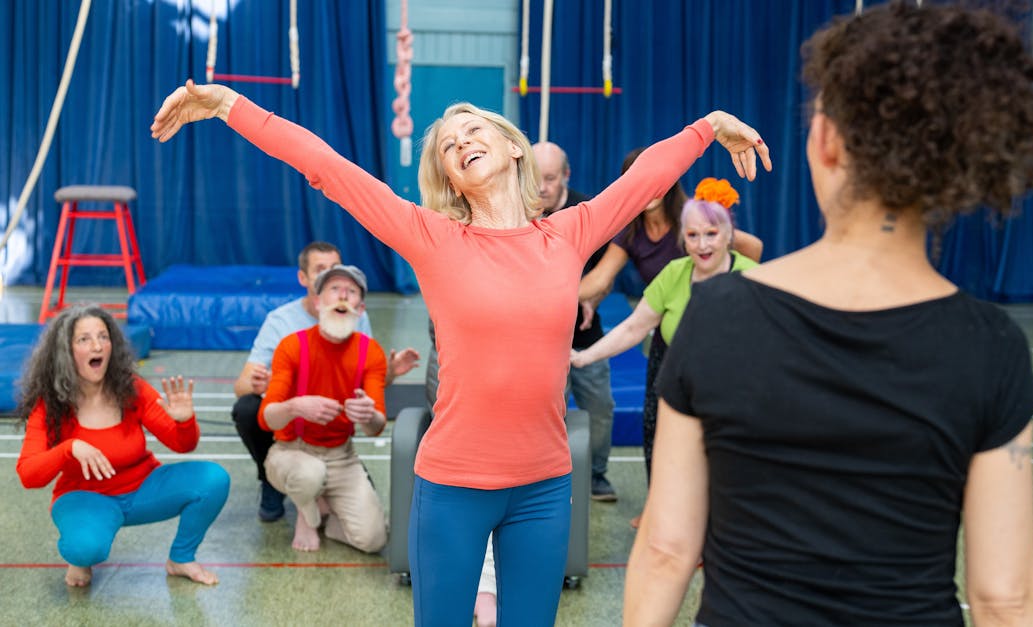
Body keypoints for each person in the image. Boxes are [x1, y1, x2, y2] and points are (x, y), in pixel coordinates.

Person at [151, 80, 768, 625]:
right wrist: (228, 105)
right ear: (449, 177)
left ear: (513, 148)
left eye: (474, 131)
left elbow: (644, 181)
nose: (461, 143)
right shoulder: (433, 238)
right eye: (449, 145)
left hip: (545, 486)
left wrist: (709, 127)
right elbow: (327, 168)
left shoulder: (568, 233)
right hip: (451, 486)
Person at [624, 3, 1033, 625]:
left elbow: (666, 550)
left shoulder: (716, 317)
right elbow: (1004, 597)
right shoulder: (991, 346)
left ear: (824, 141)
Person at [16, 305, 230, 588]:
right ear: (65, 352)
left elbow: (182, 445)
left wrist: (185, 422)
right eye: (84, 339)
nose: (97, 346)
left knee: (213, 479)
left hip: (143, 490)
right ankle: (81, 557)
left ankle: (181, 558)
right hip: (85, 498)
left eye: (103, 337)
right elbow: (29, 475)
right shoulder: (50, 404)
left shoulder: (131, 388)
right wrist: (69, 448)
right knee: (85, 548)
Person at [570, 194, 758, 482]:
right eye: (693, 236)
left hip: (730, 391)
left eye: (711, 234)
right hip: (678, 383)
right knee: (669, 459)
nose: (702, 245)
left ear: (728, 234)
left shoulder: (752, 277)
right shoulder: (674, 273)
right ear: (683, 238)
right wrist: (584, 357)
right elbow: (634, 327)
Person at [232, 241, 419, 522]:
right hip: (290, 427)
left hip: (335, 433)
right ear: (304, 279)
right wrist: (272, 385)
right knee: (247, 408)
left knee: (371, 532)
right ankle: (271, 480)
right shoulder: (281, 323)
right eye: (321, 270)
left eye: (336, 269)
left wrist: (388, 373)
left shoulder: (355, 317)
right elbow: (241, 386)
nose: (331, 277)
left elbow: (367, 385)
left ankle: (333, 481)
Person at [258, 264, 390, 553]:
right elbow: (266, 418)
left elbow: (376, 426)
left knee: (374, 540)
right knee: (309, 474)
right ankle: (308, 514)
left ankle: (326, 511)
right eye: (334, 289)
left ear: (361, 308)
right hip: (292, 451)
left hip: (342, 457)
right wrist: (295, 406)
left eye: (351, 291)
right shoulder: (292, 346)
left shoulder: (371, 352)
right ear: (317, 302)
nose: (342, 296)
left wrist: (368, 415)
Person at [533, 140, 619, 502]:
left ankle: (596, 475)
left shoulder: (587, 211)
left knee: (599, 407)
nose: (541, 187)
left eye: (550, 178)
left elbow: (607, 273)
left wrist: (590, 297)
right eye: (534, 177)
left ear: (566, 175)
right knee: (540, 412)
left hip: (583, 335)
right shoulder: (515, 212)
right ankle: (540, 477)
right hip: (535, 340)